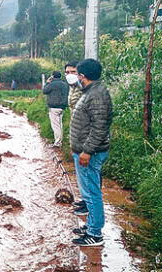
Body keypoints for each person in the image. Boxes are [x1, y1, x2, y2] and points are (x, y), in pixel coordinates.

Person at [70, 58, 113, 247]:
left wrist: (87, 151)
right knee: (88, 192)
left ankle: (94, 234)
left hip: (90, 153)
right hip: (84, 151)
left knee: (91, 193)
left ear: (83, 76)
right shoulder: (91, 91)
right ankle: (90, 226)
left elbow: (99, 127)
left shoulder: (97, 95)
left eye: (77, 74)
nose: (75, 77)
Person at [65, 61, 87, 213]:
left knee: (87, 172)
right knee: (81, 172)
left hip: (84, 134)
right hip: (76, 130)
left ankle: (88, 206)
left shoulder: (85, 88)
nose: (69, 75)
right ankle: (85, 200)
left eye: (73, 72)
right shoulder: (72, 87)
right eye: (67, 72)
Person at [42, 71, 69, 148]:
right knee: (60, 125)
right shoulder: (64, 84)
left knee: (56, 126)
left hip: (54, 107)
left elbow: (44, 91)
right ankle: (59, 141)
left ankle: (57, 143)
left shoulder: (51, 84)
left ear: (53, 76)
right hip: (62, 107)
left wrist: (47, 82)